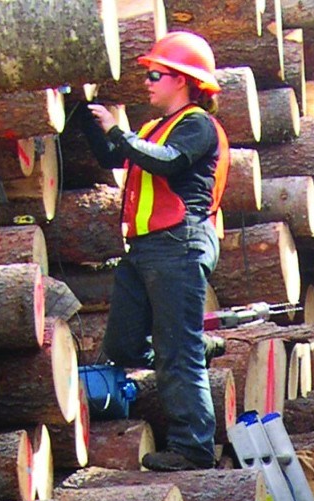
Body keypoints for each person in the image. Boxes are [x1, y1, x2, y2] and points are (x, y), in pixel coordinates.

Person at [76, 31, 230, 471]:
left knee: (175, 354)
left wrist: (117, 132)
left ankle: (193, 448)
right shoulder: (152, 128)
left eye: (156, 74)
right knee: (123, 346)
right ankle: (190, 345)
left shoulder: (197, 124)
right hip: (146, 248)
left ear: (182, 80)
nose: (147, 81)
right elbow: (114, 155)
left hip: (179, 244)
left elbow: (167, 162)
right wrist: (85, 114)